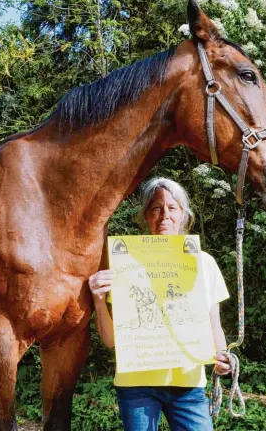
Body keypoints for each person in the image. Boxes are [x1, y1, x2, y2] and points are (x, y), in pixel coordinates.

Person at [88, 177, 231, 431]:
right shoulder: (125, 263)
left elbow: (214, 325)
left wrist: (222, 356)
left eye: (172, 207)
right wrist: (99, 300)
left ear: (184, 215)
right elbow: (110, 341)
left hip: (188, 385)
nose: (165, 214)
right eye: (156, 208)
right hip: (137, 385)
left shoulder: (204, 263)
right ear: (145, 216)